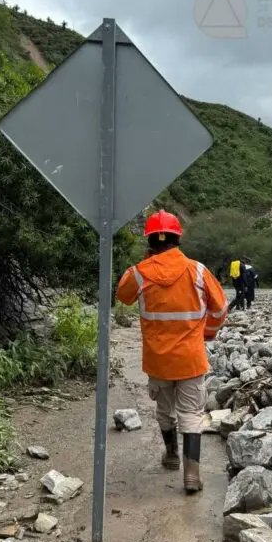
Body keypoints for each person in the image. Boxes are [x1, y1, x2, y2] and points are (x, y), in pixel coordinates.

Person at [115, 210, 227, 494]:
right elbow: (220, 309)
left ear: (149, 240)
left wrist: (145, 263)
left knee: (165, 410)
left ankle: (171, 455)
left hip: (157, 360)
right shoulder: (198, 270)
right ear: (178, 239)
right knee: (191, 413)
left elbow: (123, 297)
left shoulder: (139, 273)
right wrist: (208, 332)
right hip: (190, 358)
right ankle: (192, 474)